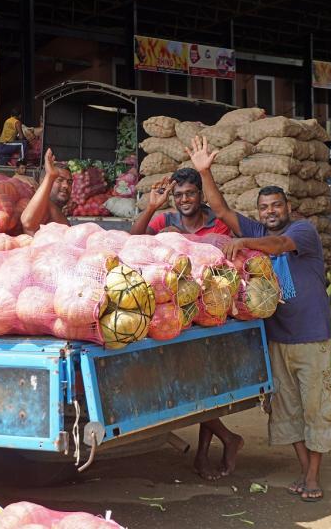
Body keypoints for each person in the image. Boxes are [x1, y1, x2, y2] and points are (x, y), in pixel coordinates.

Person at [186, 135, 331, 502]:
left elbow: (279, 247)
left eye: (276, 206)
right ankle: (305, 469)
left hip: (312, 339)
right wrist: (205, 171)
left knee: (315, 408)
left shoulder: (303, 232)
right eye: (264, 207)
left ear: (288, 207)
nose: (270, 212)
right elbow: (220, 210)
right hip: (278, 341)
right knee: (286, 410)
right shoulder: (254, 231)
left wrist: (244, 244)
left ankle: (313, 476)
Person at [131, 166, 244, 480]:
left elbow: (230, 264)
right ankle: (221, 443)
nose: (184, 200)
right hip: (172, 316)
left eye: (190, 193)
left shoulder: (219, 225)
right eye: (178, 195)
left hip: (210, 316)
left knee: (206, 385)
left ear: (200, 194)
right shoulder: (163, 222)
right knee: (195, 385)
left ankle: (206, 453)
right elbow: (131, 242)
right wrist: (151, 205)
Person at [21, 148, 72, 235]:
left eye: (69, 182)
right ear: (42, 181)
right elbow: (28, 223)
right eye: (59, 180)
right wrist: (50, 176)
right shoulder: (44, 205)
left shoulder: (54, 209)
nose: (66, 185)